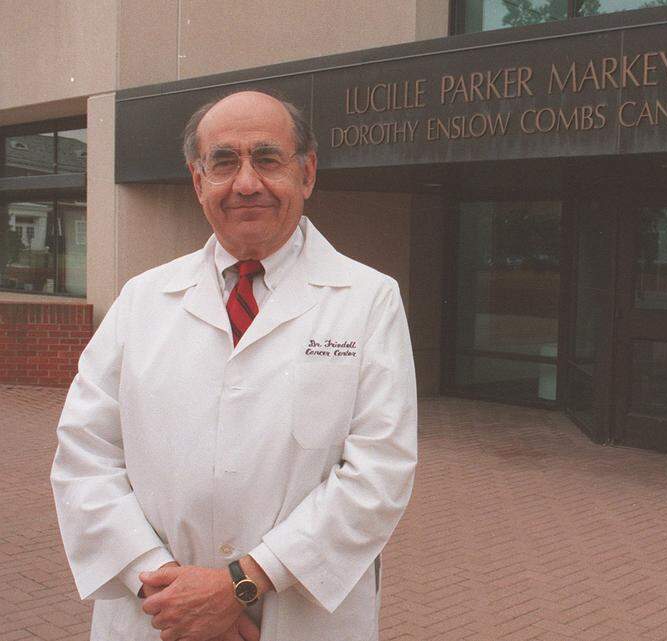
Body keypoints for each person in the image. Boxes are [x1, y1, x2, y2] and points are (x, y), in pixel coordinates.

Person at [50, 90, 418, 641]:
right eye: (223, 162)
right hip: (157, 616)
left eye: (267, 159)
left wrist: (239, 587)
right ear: (199, 182)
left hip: (300, 618)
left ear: (307, 173)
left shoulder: (368, 299)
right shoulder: (142, 298)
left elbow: (379, 474)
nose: (247, 183)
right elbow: (85, 454)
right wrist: (172, 592)